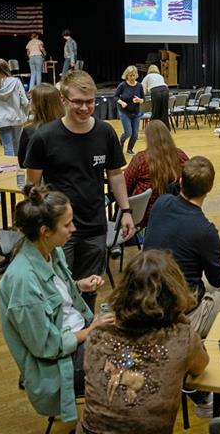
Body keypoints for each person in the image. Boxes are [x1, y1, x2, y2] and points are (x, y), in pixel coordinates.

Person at [0, 184, 113, 424]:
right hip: (57, 364)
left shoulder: (50, 250)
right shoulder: (22, 282)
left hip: (73, 337)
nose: (74, 229)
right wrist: (91, 331)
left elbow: (54, 294)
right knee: (123, 364)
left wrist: (79, 285)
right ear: (45, 231)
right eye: (67, 224)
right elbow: (47, 346)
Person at [142, 156, 220, 418]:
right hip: (179, 313)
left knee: (217, 284)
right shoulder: (204, 229)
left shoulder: (162, 203)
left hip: (144, 300)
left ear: (180, 181)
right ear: (209, 189)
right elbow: (219, 279)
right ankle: (205, 393)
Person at [25, 70, 134, 309]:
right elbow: (32, 187)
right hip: (58, 230)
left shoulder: (105, 133)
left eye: (90, 102)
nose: (84, 108)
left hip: (95, 226)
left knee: (89, 293)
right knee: (58, 293)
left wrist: (125, 211)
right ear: (63, 100)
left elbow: (115, 175)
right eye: (77, 102)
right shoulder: (44, 137)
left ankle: (84, 336)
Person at [78, 250, 210, 433]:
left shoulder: (97, 337)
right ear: (175, 292)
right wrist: (180, 316)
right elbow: (201, 365)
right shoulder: (182, 338)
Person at [125, 120, 188, 225]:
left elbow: (125, 186)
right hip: (174, 211)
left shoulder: (141, 159)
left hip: (145, 214)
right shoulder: (180, 155)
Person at [0, 58, 29, 157]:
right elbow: (25, 101)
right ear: (7, 68)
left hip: (0, 120)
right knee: (17, 145)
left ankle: (10, 170)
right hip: (16, 117)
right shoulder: (15, 82)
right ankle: (18, 169)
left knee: (8, 147)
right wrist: (26, 113)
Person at [17, 83, 65, 168]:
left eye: (31, 100)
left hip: (39, 178)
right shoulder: (69, 127)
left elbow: (23, 163)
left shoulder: (30, 131)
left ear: (36, 104)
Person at [113, 65, 145, 155]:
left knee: (135, 134)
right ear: (127, 76)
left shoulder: (139, 86)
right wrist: (121, 102)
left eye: (133, 75)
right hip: (124, 112)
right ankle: (121, 143)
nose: (132, 77)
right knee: (128, 133)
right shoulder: (122, 85)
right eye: (130, 75)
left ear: (136, 75)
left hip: (136, 112)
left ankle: (129, 149)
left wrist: (139, 100)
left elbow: (143, 99)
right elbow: (115, 97)